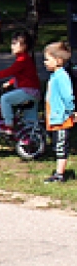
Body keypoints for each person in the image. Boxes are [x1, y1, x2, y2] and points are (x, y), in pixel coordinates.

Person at [0, 30, 40, 132]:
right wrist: (10, 82)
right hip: (34, 91)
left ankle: (8, 123)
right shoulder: (26, 59)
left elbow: (11, 71)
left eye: (14, 43)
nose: (12, 46)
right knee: (30, 119)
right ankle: (32, 138)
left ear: (24, 46)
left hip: (28, 91)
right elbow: (23, 75)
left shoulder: (23, 59)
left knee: (5, 99)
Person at [42, 41, 74, 183]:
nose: (45, 62)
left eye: (48, 59)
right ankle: (58, 172)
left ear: (58, 60)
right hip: (54, 117)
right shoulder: (54, 76)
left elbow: (68, 97)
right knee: (56, 144)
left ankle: (59, 174)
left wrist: (71, 111)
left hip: (62, 118)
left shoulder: (62, 77)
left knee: (61, 146)